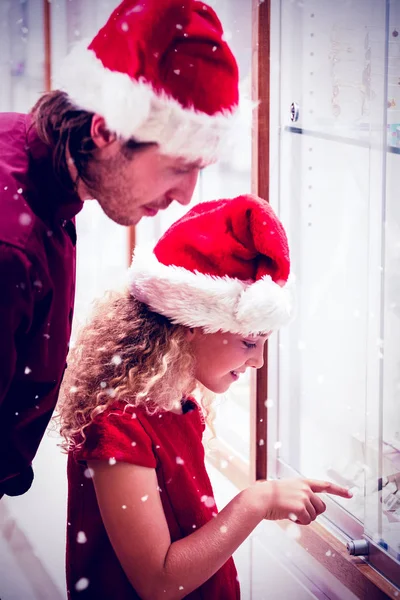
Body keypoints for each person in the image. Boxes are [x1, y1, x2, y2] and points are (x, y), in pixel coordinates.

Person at [58, 194, 352, 599]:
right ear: (192, 325)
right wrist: (257, 502)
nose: (259, 362)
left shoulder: (180, 402)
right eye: (250, 342)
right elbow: (159, 582)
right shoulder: (118, 426)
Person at [0, 0, 239, 498]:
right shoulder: (11, 245)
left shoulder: (33, 165)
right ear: (105, 130)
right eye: (178, 166)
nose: (185, 196)